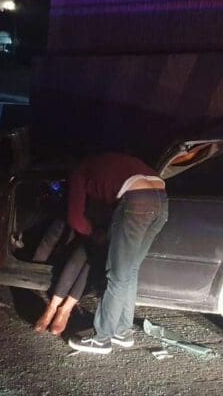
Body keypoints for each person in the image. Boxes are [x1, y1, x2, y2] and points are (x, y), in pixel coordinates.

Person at [65, 152, 168, 355]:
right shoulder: (111, 162)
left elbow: (75, 219)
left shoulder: (80, 171)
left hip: (137, 201)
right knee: (130, 270)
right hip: (162, 201)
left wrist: (94, 235)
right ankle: (122, 332)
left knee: (117, 276)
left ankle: (101, 339)